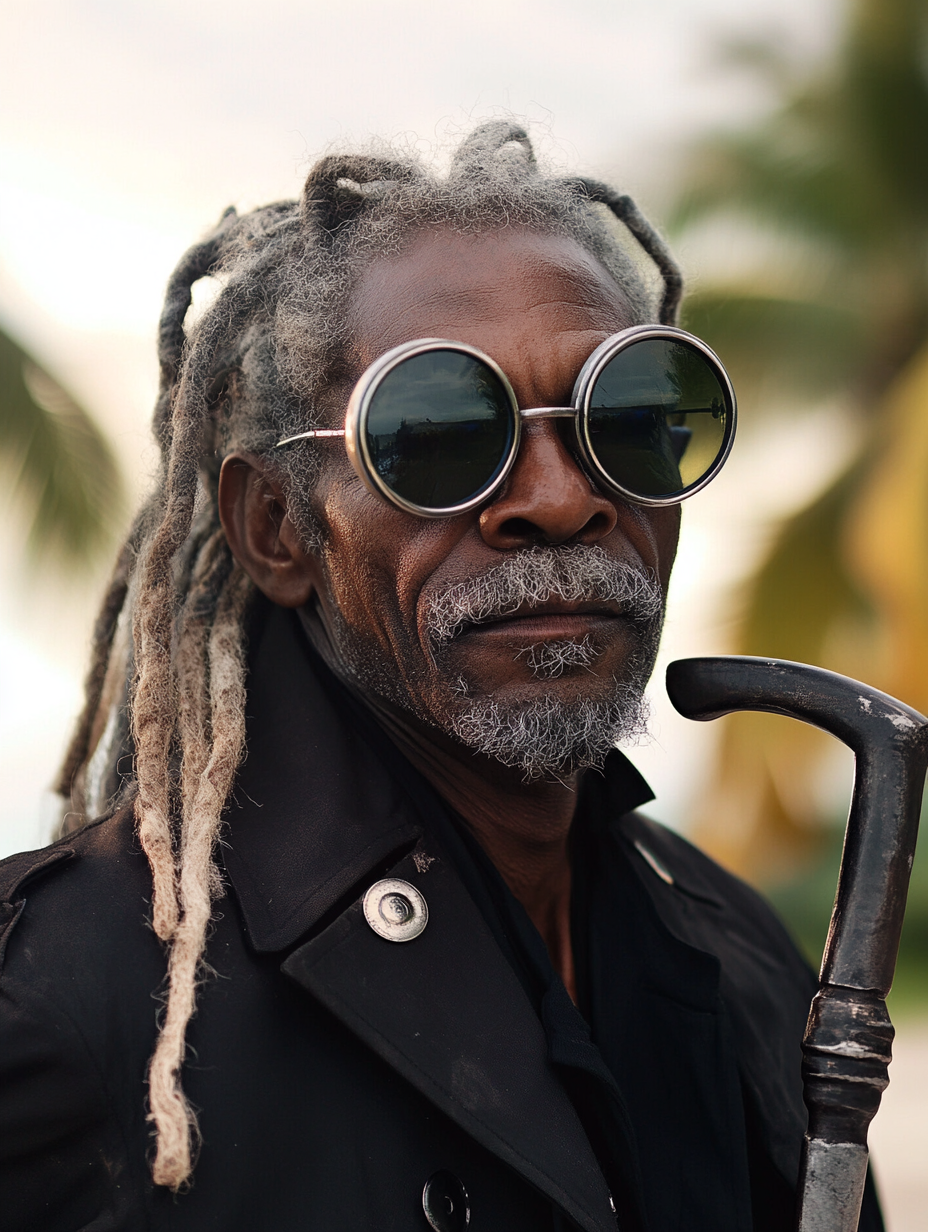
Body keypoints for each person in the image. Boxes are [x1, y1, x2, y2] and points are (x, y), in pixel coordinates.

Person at [0, 122, 882, 1232]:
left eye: (629, 416)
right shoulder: (72, 1000)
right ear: (278, 527)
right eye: (441, 430)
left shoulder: (748, 962)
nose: (562, 498)